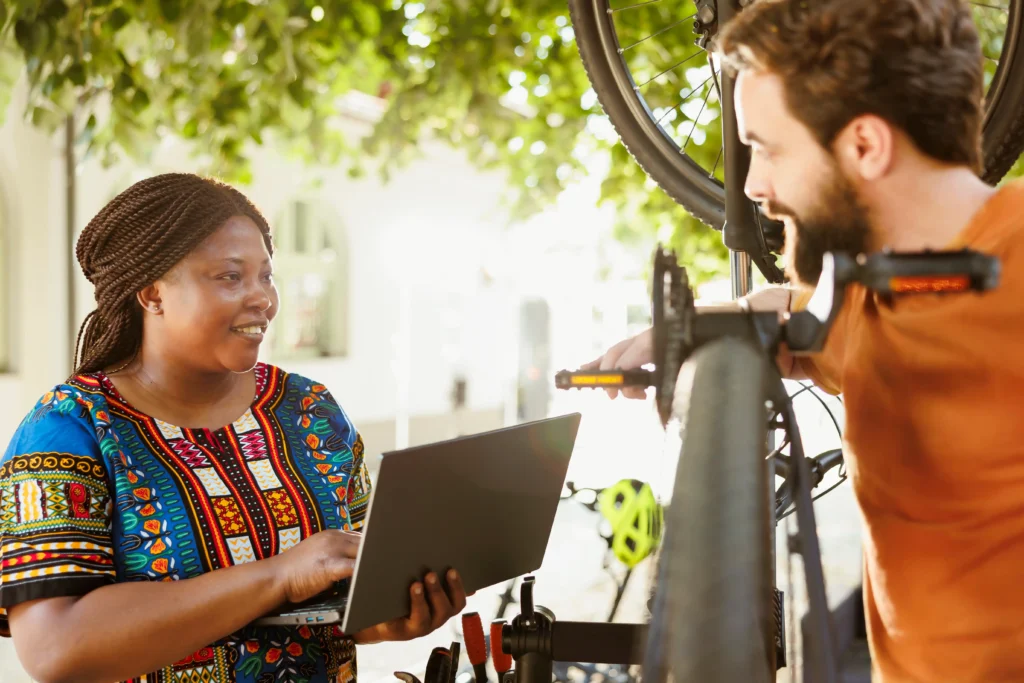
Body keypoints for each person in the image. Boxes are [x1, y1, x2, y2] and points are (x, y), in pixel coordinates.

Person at [586, 1, 1024, 681]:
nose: (753, 186)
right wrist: (706, 324)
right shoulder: (886, 289)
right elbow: (810, 311)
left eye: (766, 147)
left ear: (865, 146)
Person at [0, 173, 468, 683]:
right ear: (153, 293)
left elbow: (348, 595)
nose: (262, 298)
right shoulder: (71, 428)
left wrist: (391, 616)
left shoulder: (308, 410)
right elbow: (53, 649)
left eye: (267, 276)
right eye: (230, 277)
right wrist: (279, 576)